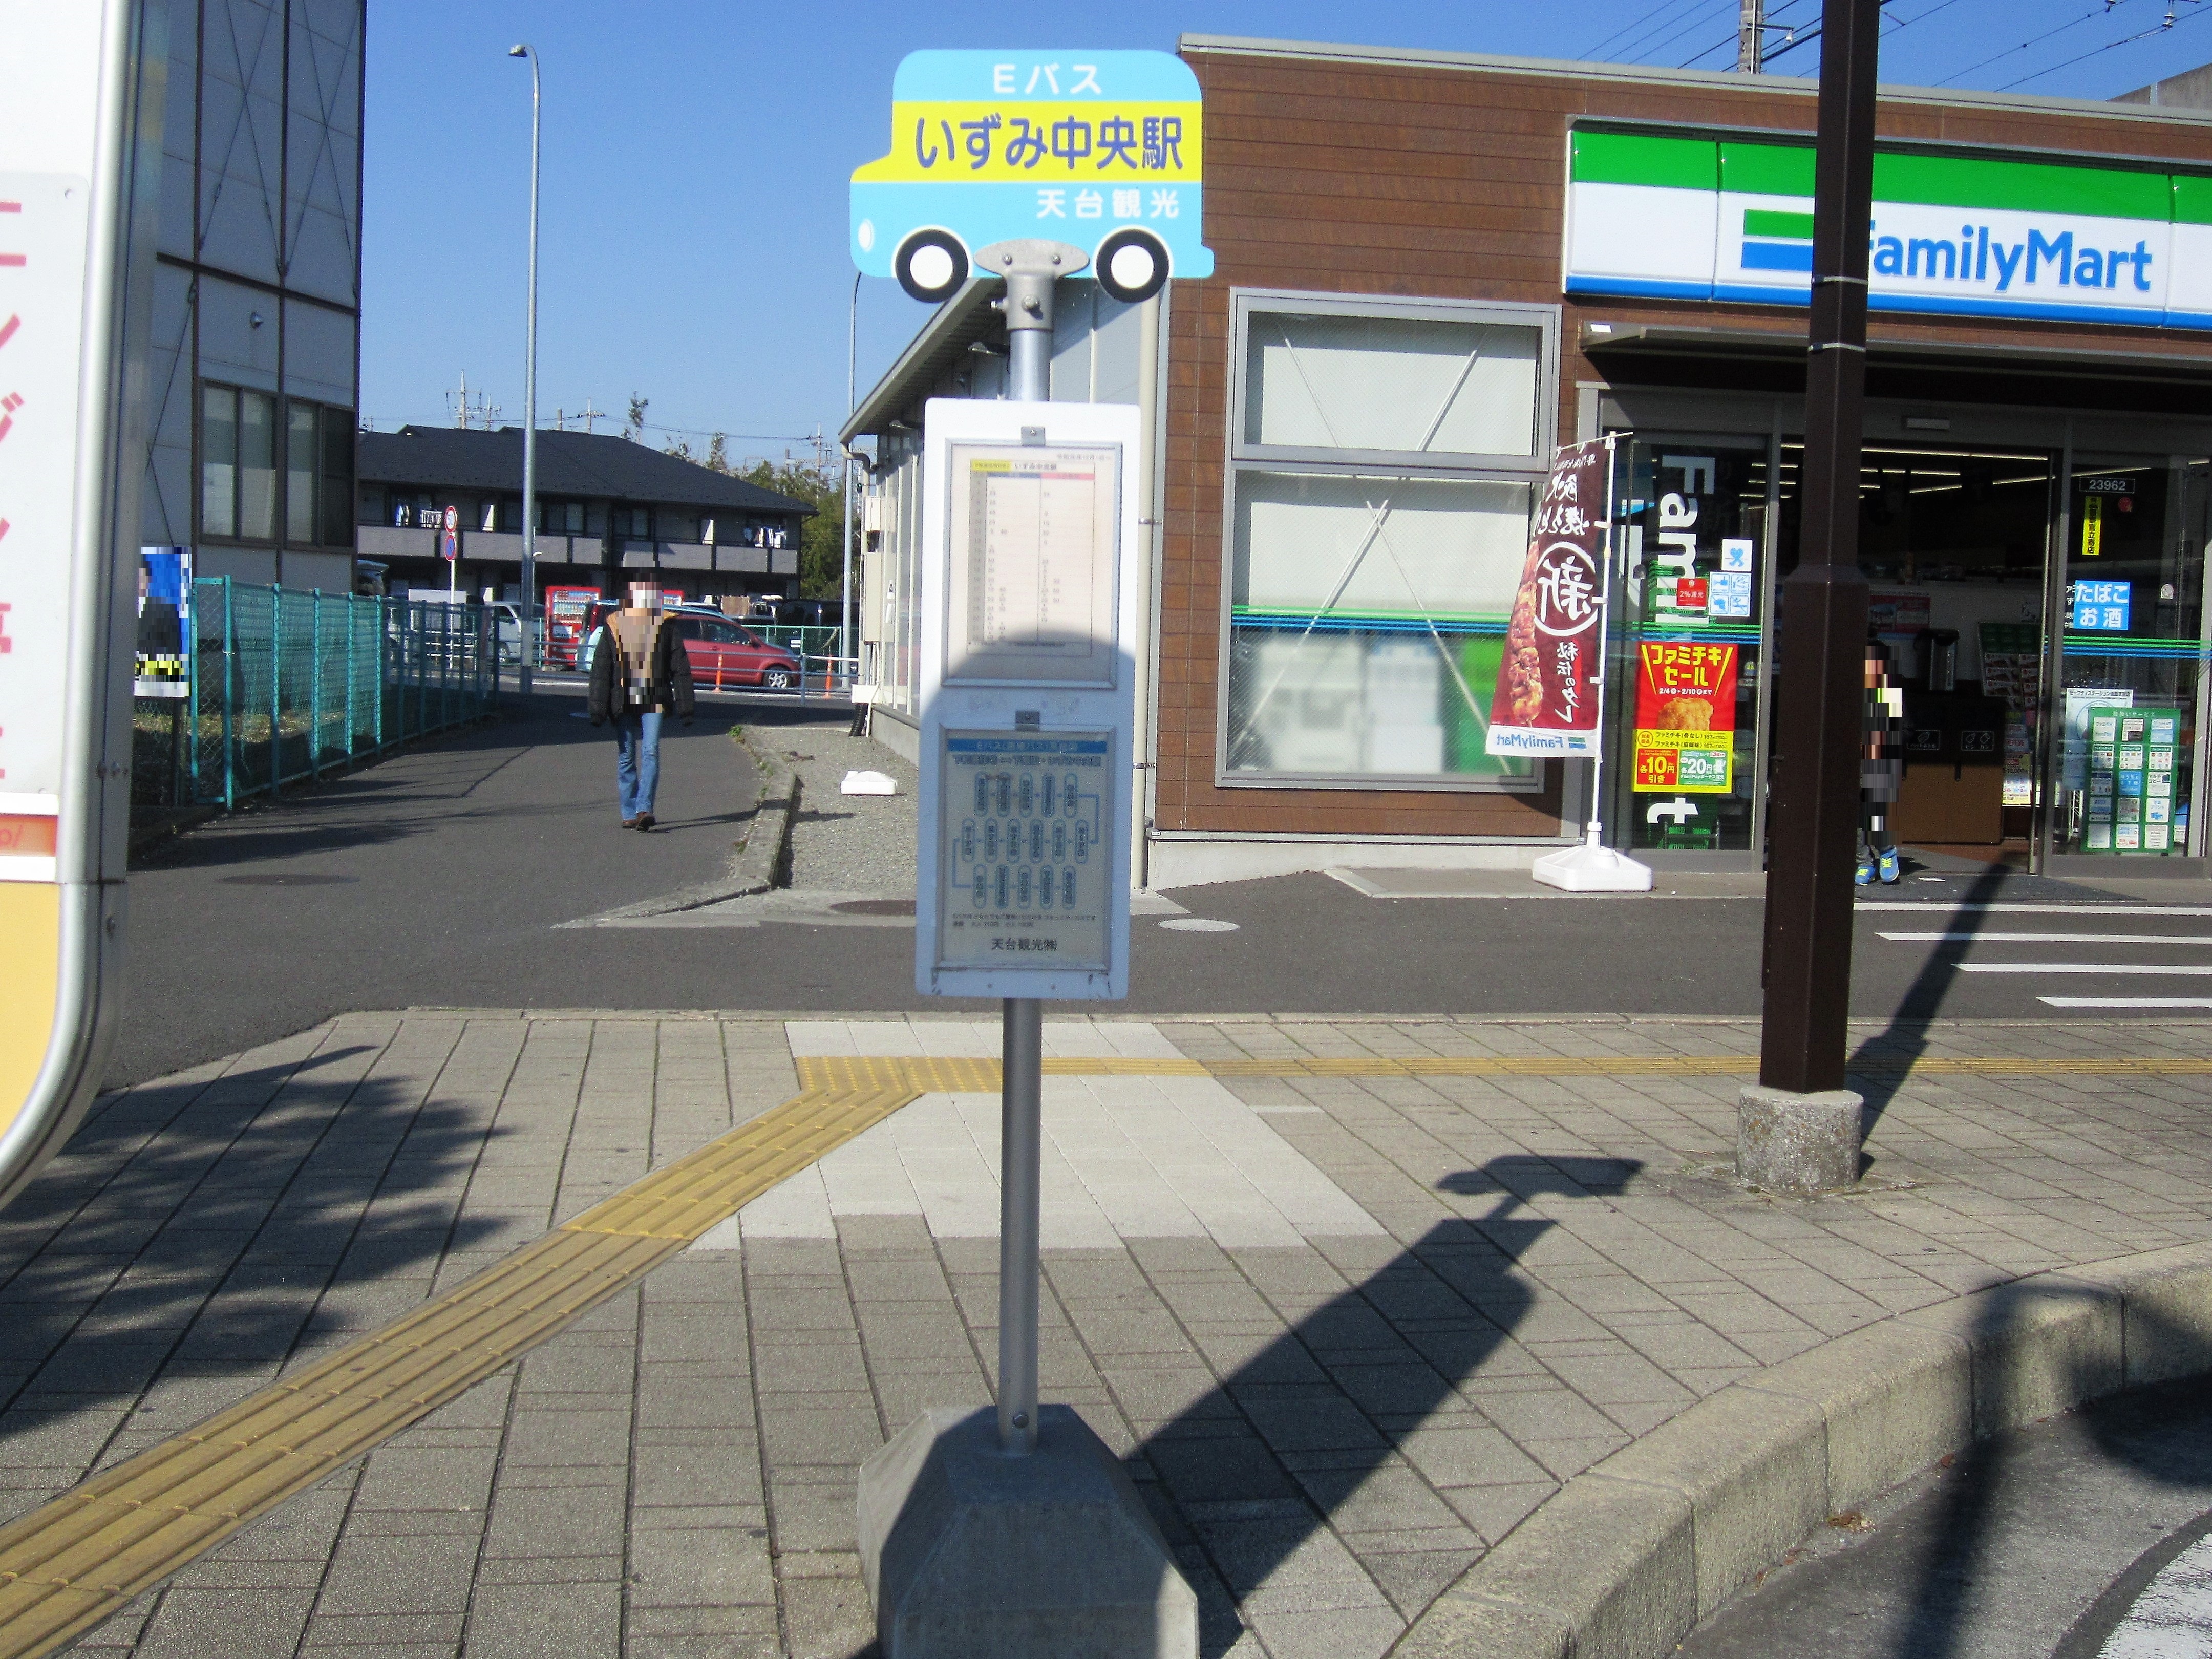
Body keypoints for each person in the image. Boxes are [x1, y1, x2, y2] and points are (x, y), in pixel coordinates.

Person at [586, 598, 694, 830]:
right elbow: (601, 670)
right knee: (626, 755)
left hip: (654, 697)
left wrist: (686, 707)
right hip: (622, 697)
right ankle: (629, 811)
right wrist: (597, 709)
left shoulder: (666, 626)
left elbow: (680, 668)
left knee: (650, 751)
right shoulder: (614, 625)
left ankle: (644, 808)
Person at [1857, 638, 1905, 886]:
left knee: (1874, 809)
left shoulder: (1887, 691)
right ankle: (1864, 862)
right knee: (1855, 813)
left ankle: (1887, 852)